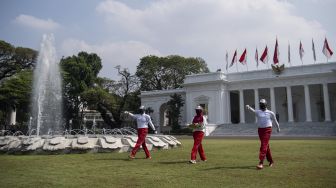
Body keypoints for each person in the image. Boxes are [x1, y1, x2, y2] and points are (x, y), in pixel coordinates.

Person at [246, 99, 280, 170]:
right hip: (260, 130)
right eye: (260, 104)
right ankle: (271, 161)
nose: (261, 106)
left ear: (265, 105)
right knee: (266, 146)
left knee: (263, 145)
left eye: (262, 104)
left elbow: (275, 120)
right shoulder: (258, 112)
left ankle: (261, 162)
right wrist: (249, 107)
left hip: (268, 130)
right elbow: (253, 111)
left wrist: (278, 127)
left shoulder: (270, 113)